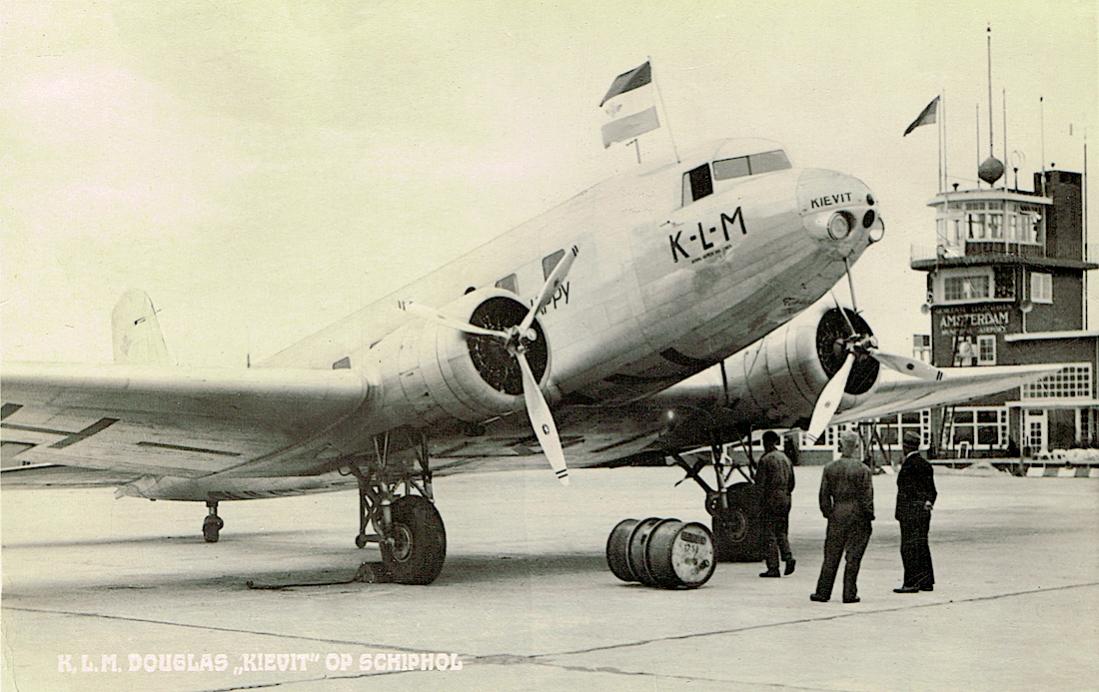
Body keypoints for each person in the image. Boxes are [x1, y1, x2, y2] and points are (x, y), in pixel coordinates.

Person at [810, 431, 874, 604]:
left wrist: (829, 513)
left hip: (837, 513)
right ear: (855, 447)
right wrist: (869, 516)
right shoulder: (864, 470)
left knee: (831, 555)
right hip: (857, 515)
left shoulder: (830, 468)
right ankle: (849, 593)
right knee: (853, 557)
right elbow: (867, 497)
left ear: (841, 445)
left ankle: (823, 592)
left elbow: (823, 496)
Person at [894, 431, 937, 593]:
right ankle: (926, 581)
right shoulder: (926, 465)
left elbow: (906, 491)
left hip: (909, 513)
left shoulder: (909, 466)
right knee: (922, 545)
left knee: (908, 547)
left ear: (906, 446)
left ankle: (911, 582)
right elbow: (932, 491)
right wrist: (928, 502)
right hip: (923, 513)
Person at [756, 431, 795, 578]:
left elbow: (760, 484)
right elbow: (792, 482)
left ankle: (773, 567)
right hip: (785, 497)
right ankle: (788, 557)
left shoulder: (765, 460)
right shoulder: (785, 458)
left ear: (765, 442)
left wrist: (759, 502)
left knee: (769, 533)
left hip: (771, 498)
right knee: (782, 531)